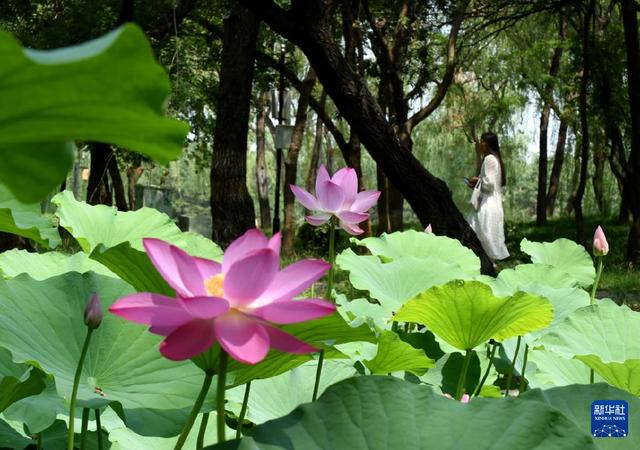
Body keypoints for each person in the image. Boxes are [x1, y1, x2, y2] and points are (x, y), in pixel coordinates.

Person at [466, 132, 509, 261]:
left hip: (487, 204)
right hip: (493, 203)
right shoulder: (496, 159)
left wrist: (477, 181)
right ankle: (488, 265)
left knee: (479, 233)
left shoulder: (489, 159)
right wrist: (478, 181)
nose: (479, 144)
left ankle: (483, 265)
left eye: (482, 141)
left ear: (487, 144)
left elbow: (489, 184)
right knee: (486, 235)